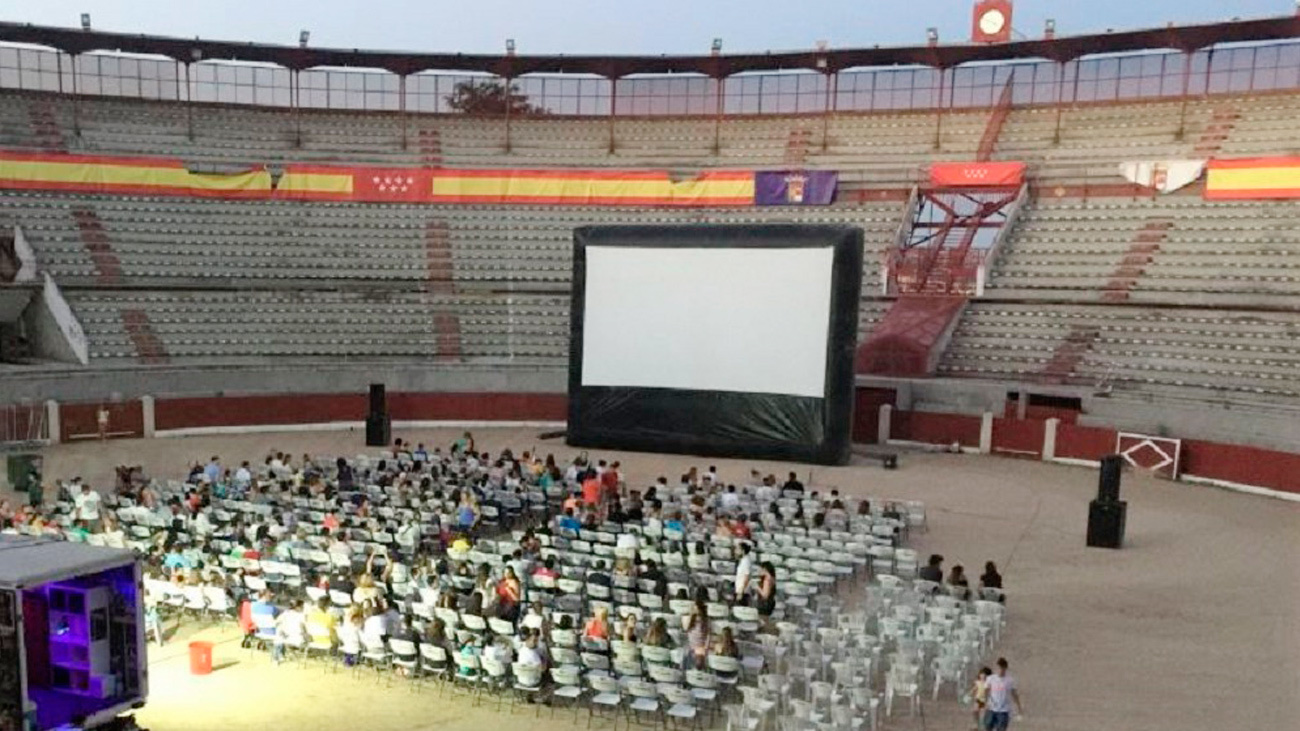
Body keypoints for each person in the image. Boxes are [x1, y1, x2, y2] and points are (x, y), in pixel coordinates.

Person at [983, 657, 1024, 731]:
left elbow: (1014, 694)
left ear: (1005, 668)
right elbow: (986, 690)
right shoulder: (991, 679)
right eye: (998, 668)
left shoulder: (1009, 680)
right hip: (991, 708)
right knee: (988, 727)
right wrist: (985, 702)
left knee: (1001, 729)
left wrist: (1019, 706)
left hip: (1003, 711)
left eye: (1002, 668)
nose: (1000, 671)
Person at [272, 599, 307, 664]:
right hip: (297, 639)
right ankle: (283, 654)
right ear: (298, 607)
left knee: (279, 630)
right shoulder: (302, 616)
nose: (303, 608)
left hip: (285, 638)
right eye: (302, 607)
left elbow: (276, 622)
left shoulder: (285, 613)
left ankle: (276, 657)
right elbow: (304, 628)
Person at [970, 666, 992, 731]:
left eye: (984, 675)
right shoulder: (977, 682)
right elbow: (974, 689)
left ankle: (983, 726)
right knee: (975, 711)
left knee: (984, 713)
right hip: (978, 699)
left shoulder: (988, 683)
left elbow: (990, 691)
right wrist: (969, 694)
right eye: (981, 674)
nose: (982, 676)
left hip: (985, 700)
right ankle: (976, 724)